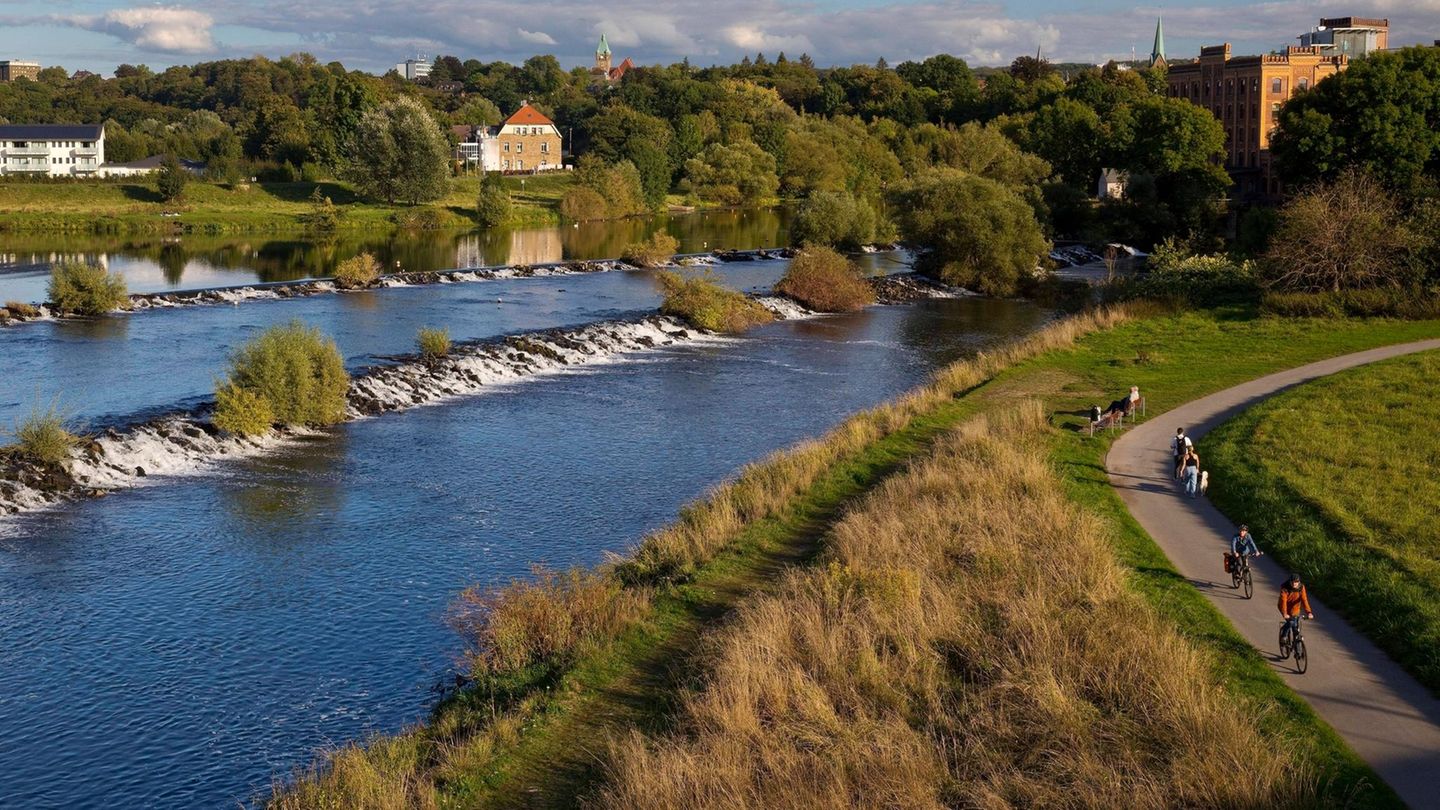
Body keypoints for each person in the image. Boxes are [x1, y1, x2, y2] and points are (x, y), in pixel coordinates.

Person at [1278, 572, 1314, 645]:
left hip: (1295, 608)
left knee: (1296, 628)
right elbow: (1283, 601)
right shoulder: (1285, 588)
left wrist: (1309, 612)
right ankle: (1284, 636)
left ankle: (1297, 648)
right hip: (1284, 607)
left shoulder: (1301, 587)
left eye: (1296, 582)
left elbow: (1304, 600)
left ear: (1299, 582)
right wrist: (1285, 613)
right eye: (1293, 582)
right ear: (1290, 581)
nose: (1295, 584)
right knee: (1291, 622)